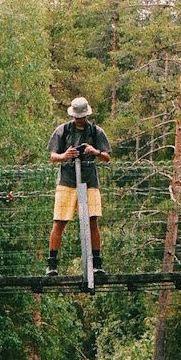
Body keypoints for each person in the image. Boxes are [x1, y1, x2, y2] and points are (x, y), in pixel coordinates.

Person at [45, 95, 111, 277]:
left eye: (82, 116)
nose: (79, 119)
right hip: (67, 180)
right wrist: (65, 155)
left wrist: (94, 151)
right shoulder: (63, 130)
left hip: (89, 180)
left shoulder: (96, 131)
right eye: (77, 116)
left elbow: (107, 157)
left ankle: (97, 264)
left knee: (93, 221)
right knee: (59, 222)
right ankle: (52, 264)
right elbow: (52, 156)